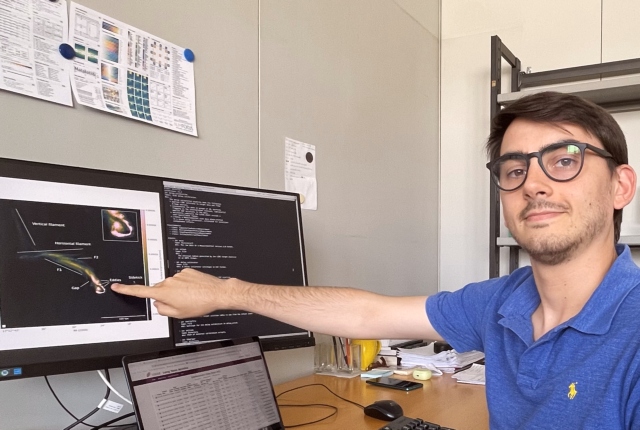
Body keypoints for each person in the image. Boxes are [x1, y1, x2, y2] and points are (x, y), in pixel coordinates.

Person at [112, 91, 640, 429]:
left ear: (621, 186)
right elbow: (366, 314)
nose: (534, 184)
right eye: (515, 169)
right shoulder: (503, 300)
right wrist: (224, 293)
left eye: (564, 161)